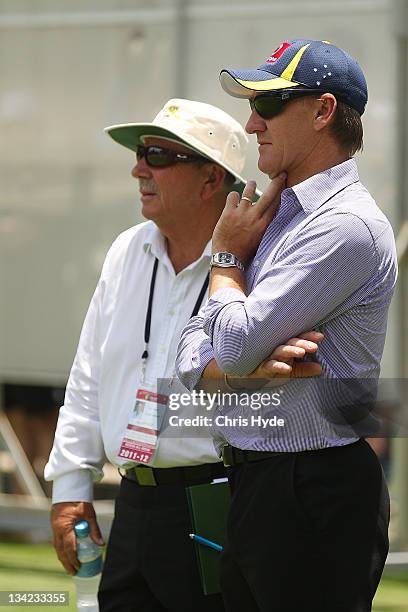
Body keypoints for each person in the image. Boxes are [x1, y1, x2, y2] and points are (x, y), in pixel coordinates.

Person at [44, 98, 323, 612]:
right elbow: (88, 375)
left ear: (211, 179)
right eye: (140, 153)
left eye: (157, 154)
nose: (137, 168)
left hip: (221, 501)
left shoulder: (264, 261)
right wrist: (70, 486)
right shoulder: (127, 250)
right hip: (133, 502)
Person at [176, 40, 398, 612]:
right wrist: (228, 370)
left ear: (323, 112)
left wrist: (226, 261)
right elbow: (188, 358)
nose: (251, 124)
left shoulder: (344, 224)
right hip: (263, 484)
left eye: (269, 104)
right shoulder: (279, 214)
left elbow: (231, 339)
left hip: (313, 489)